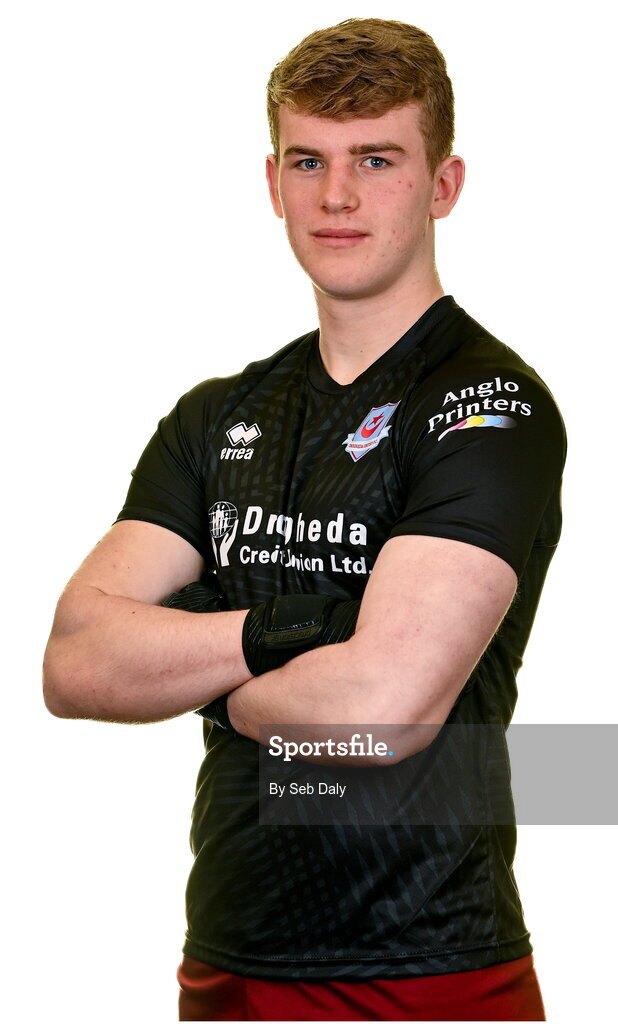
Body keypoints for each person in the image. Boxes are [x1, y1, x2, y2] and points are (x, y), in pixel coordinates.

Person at [42, 17, 565, 1022]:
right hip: (226, 957)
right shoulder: (217, 416)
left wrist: (215, 687)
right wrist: (287, 630)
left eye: (377, 159)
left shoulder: (489, 405)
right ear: (272, 182)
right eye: (307, 160)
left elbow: (386, 710)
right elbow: (73, 660)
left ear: (443, 185)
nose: (336, 196)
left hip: (425, 966)